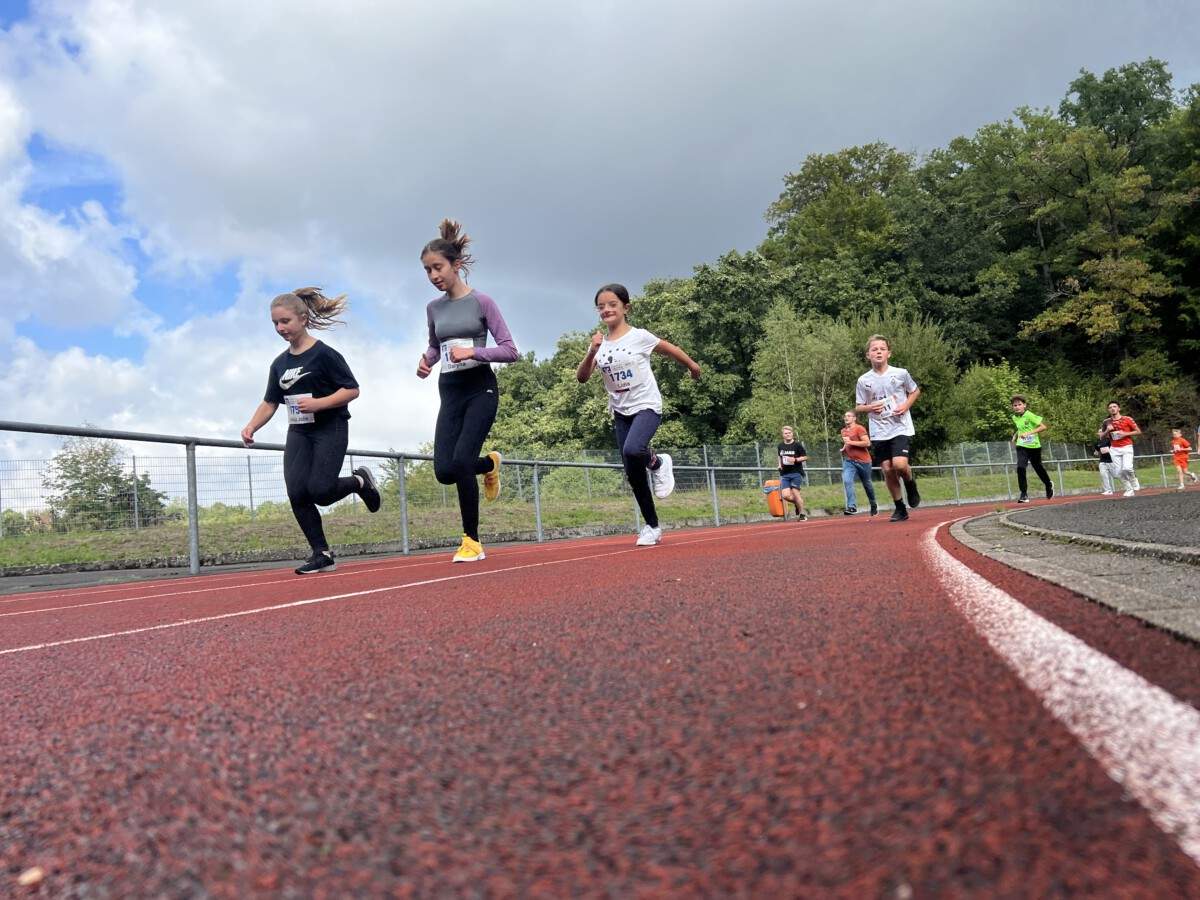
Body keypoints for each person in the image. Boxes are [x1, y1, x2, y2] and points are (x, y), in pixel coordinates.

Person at [242, 288, 381, 575]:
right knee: (297, 492)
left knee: (321, 491)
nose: (280, 328)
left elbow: (352, 390)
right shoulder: (279, 364)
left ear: (303, 319)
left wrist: (319, 403)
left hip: (330, 427)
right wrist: (251, 426)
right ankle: (322, 553)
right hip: (299, 432)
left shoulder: (324, 355)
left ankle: (359, 482)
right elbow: (270, 402)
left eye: (285, 321)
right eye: (275, 323)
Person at [417, 219, 518, 563]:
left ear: (456, 265)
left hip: (480, 388)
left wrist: (474, 351)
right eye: (427, 270)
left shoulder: (482, 302)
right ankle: (489, 463)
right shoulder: (433, 308)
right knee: (444, 470)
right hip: (450, 390)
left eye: (438, 267)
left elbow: (510, 350)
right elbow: (435, 346)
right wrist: (427, 361)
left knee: (461, 462)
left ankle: (471, 541)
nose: (433, 275)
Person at [576, 283, 701, 546]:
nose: (606, 310)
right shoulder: (600, 345)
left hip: (646, 405)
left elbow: (669, 348)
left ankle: (657, 462)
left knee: (633, 449)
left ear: (626, 308)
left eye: (612, 305)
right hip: (621, 412)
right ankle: (652, 526)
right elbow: (582, 377)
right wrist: (592, 351)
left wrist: (692, 366)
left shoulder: (639, 336)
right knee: (633, 472)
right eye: (601, 307)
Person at [855, 335, 921, 522]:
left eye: (882, 349)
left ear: (888, 353)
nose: (878, 352)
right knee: (887, 469)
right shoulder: (863, 380)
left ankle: (910, 483)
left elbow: (915, 391)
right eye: (874, 349)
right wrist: (870, 407)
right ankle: (900, 508)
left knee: (899, 464)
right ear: (868, 355)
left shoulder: (900, 373)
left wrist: (905, 405)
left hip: (900, 426)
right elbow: (859, 407)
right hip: (879, 429)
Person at [1010, 395, 1054, 502]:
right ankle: (1024, 494)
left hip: (1034, 446)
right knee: (1020, 467)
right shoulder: (1015, 417)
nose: (1017, 407)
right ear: (1012, 407)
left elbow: (1043, 427)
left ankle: (1048, 484)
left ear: (1024, 405)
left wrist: (1029, 433)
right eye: (1015, 405)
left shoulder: (1029, 415)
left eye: (1019, 404)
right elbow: (1021, 428)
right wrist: (1015, 436)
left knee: (1038, 467)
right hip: (1021, 446)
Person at [1098, 402, 1141, 497]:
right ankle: (1129, 489)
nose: (1112, 408)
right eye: (1110, 407)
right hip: (1114, 448)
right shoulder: (1106, 422)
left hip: (1127, 446)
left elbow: (1138, 431)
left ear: (1119, 408)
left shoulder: (1127, 419)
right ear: (1108, 410)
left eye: (1114, 406)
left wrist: (1125, 434)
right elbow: (1101, 437)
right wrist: (1107, 430)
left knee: (1127, 468)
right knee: (1118, 473)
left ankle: (1133, 479)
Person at [839, 410, 877, 516]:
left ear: (854, 418)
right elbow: (847, 443)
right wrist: (844, 448)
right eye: (845, 416)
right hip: (849, 461)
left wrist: (851, 442)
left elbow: (867, 443)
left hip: (863, 461)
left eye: (849, 416)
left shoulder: (859, 428)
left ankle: (873, 504)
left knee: (867, 484)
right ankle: (852, 507)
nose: (846, 418)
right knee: (847, 480)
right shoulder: (843, 431)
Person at [777, 425, 808, 521]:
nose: (788, 435)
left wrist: (795, 459)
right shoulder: (780, 446)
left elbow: (805, 457)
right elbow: (779, 456)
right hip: (785, 474)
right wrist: (779, 465)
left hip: (796, 473)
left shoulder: (797, 445)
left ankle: (802, 514)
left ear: (792, 434)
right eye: (786, 433)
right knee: (785, 495)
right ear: (783, 435)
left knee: (795, 493)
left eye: (789, 433)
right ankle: (797, 504)